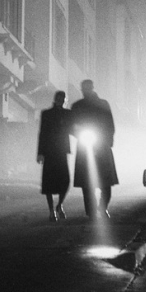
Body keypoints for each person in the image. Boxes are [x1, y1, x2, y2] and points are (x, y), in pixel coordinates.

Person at [70, 79, 119, 218]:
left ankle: (103, 207)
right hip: (85, 146)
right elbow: (72, 125)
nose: (86, 91)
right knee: (86, 183)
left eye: (88, 88)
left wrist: (109, 140)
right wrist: (78, 134)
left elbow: (110, 124)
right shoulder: (77, 106)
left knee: (106, 182)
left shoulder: (103, 104)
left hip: (102, 145)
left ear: (92, 88)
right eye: (84, 89)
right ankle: (91, 211)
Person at [36, 91, 72, 221]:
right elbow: (42, 133)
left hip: (61, 151)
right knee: (49, 183)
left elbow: (73, 128)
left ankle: (59, 205)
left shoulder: (67, 114)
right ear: (56, 99)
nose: (61, 101)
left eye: (63, 99)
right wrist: (40, 152)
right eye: (59, 98)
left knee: (65, 181)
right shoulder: (47, 114)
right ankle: (52, 210)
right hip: (50, 152)